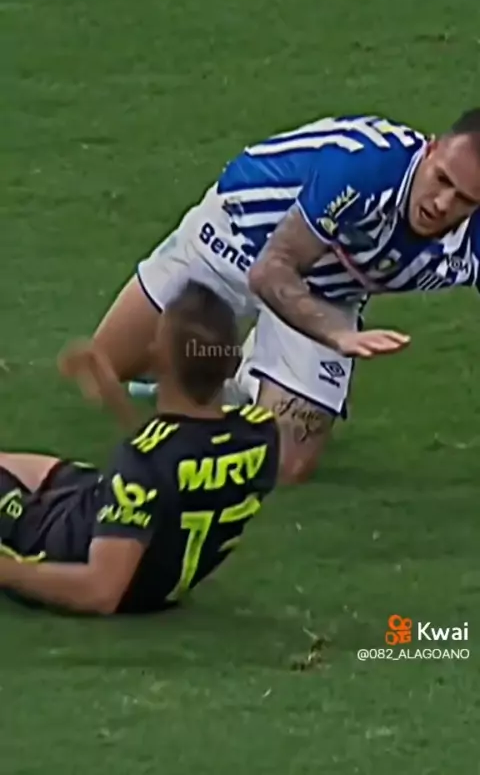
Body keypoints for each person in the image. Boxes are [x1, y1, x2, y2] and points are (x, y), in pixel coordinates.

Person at [66, 110, 480, 485]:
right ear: (431, 149)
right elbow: (271, 270)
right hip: (235, 243)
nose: (442, 204)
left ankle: (246, 376)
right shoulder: (364, 167)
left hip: (327, 290)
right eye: (442, 179)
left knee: (284, 465)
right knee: (104, 369)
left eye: (465, 199)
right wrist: (336, 335)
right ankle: (222, 360)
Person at [0, 282, 279, 615]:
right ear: (233, 363)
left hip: (59, 543)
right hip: (118, 527)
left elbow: (100, 591)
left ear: (157, 361)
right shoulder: (259, 433)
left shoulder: (143, 464)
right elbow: (174, 459)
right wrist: (113, 394)